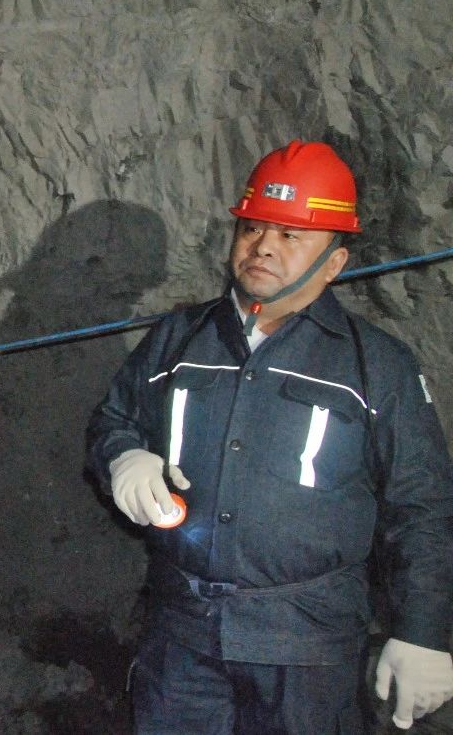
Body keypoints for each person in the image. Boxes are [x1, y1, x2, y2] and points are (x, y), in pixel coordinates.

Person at [87, 140, 453, 733]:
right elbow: (113, 420)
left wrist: (424, 633)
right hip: (182, 639)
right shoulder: (178, 339)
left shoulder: (377, 367)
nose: (263, 247)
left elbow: (422, 506)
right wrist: (123, 455)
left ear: (333, 261)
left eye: (290, 235)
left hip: (307, 651)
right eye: (253, 228)